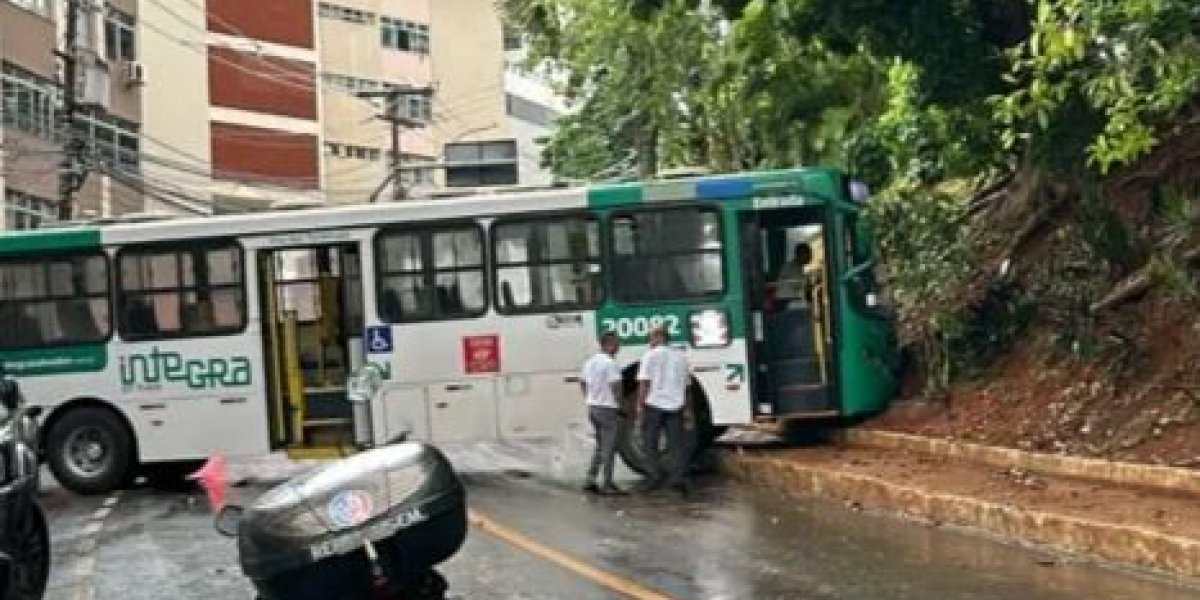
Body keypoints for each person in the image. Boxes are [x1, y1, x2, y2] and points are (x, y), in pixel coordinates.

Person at [636, 325, 692, 496]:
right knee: (676, 444)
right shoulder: (681, 357)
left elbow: (644, 383)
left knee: (650, 442)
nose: (649, 341)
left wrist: (639, 406)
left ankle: (654, 477)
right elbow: (687, 386)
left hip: (654, 405)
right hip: (676, 405)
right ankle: (676, 478)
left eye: (650, 338)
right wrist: (689, 410)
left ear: (658, 337)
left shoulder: (650, 355)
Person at [580, 332, 626, 495]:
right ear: (609, 344)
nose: (618, 347)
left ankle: (590, 479)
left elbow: (583, 383)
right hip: (607, 408)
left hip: (593, 408)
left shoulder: (589, 362)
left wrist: (589, 399)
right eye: (617, 343)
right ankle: (607, 484)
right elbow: (616, 387)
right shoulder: (610, 363)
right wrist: (621, 406)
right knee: (609, 447)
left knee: (600, 446)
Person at [773, 242, 813, 309]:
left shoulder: (798, 268)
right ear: (800, 254)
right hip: (786, 302)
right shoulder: (791, 268)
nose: (810, 256)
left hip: (789, 301)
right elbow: (798, 285)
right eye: (808, 254)